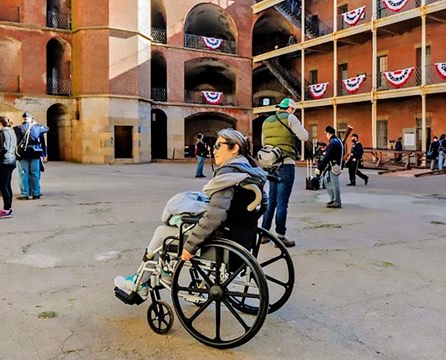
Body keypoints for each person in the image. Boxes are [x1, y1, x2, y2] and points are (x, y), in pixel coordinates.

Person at [114, 128, 267, 295]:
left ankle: (141, 282)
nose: (213, 150)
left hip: (220, 237)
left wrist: (191, 245)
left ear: (235, 148)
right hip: (240, 236)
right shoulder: (250, 172)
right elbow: (262, 206)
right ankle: (166, 273)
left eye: (218, 146)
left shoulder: (228, 174)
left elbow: (215, 216)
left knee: (162, 232)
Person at [260, 98, 308, 247]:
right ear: (289, 109)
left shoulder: (266, 121)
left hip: (271, 164)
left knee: (271, 200)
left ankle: (263, 233)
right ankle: (280, 235)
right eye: (293, 110)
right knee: (282, 202)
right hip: (286, 164)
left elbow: (263, 143)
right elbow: (304, 136)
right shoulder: (290, 118)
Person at [14, 112, 48, 200]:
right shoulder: (37, 127)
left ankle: (25, 194)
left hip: (23, 154)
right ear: (31, 118)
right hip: (35, 153)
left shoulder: (18, 128)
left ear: (23, 118)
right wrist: (36, 124)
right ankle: (36, 193)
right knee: (35, 173)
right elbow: (46, 128)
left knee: (23, 173)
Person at [0, 116, 17, 219]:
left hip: (4, 162)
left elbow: (5, 148)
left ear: (0, 123)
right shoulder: (10, 132)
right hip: (10, 160)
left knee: (3, 186)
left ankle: (7, 209)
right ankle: (7, 208)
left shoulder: (4, 133)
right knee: (7, 185)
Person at [316, 126, 343, 209]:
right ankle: (333, 198)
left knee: (335, 184)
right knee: (326, 181)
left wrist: (319, 167)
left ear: (328, 133)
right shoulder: (336, 141)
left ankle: (337, 201)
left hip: (333, 165)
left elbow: (327, 156)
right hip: (332, 165)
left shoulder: (333, 142)